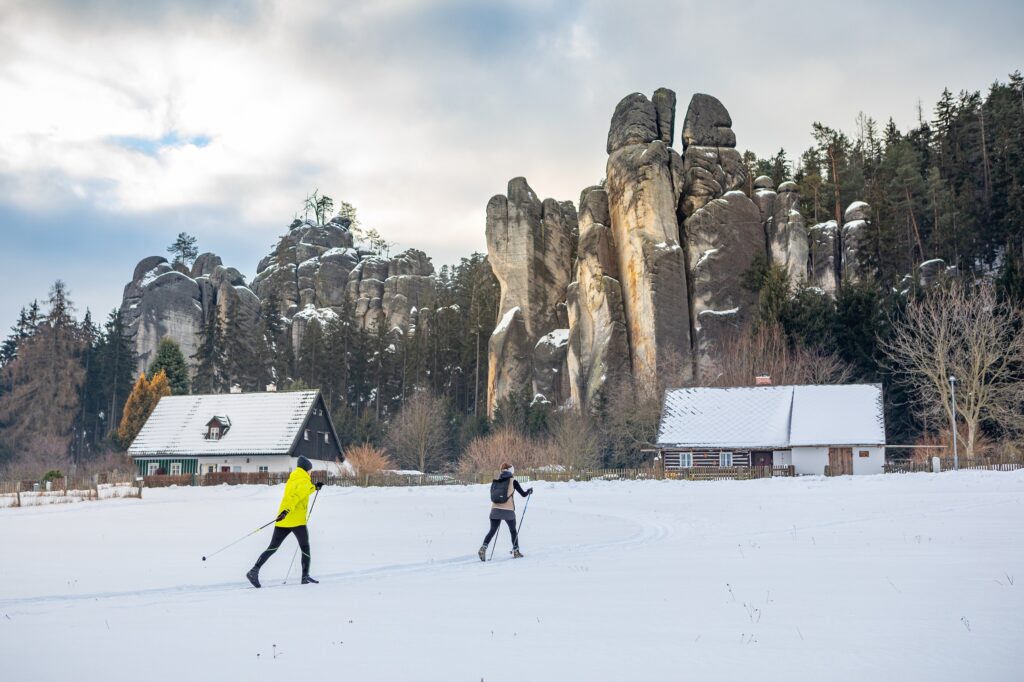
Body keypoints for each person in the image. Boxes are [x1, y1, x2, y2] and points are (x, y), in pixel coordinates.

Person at [246, 456, 323, 587]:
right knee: (305, 547)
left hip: (283, 520)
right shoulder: (304, 480)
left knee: (273, 547)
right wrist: (287, 510)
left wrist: (314, 487)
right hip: (297, 521)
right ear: (306, 470)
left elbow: (300, 492)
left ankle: (254, 570)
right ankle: (305, 576)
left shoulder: (294, 479)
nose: (311, 472)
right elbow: (294, 498)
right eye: (310, 470)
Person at [478, 463, 532, 561]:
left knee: (492, 530)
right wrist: (529, 491)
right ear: (511, 471)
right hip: (508, 511)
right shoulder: (513, 481)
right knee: (513, 530)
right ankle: (516, 551)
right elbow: (524, 494)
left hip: (495, 510)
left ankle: (483, 548)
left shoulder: (496, 480)